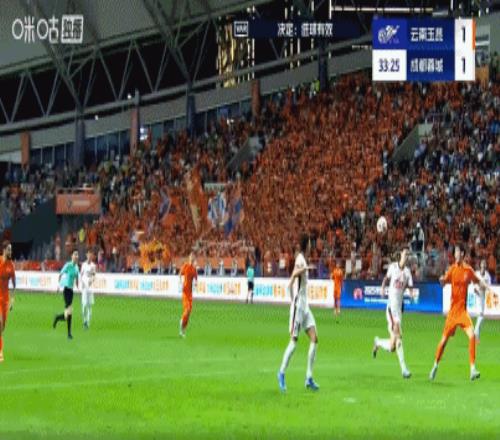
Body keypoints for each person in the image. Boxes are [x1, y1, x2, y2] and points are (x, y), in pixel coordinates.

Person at [429, 244, 492, 381]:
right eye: (455, 252)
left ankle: (472, 369)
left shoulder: (468, 270)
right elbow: (444, 282)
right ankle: (435, 365)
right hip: (452, 313)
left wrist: (489, 288)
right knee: (443, 341)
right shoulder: (452, 269)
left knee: (472, 336)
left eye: (457, 252)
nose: (455, 254)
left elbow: (478, 281)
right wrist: (441, 281)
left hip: (462, 313)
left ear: (462, 254)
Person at [278, 235, 319, 392]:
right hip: (298, 306)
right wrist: (305, 269)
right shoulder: (300, 259)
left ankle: (309, 377)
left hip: (305, 306)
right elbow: (294, 274)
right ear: (306, 244)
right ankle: (281, 373)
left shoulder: (303, 259)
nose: (311, 245)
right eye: (309, 243)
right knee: (294, 341)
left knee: (314, 338)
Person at [372, 247, 413, 379]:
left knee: (392, 347)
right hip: (391, 309)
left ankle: (378, 342)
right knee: (399, 336)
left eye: (408, 255)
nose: (406, 256)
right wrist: (382, 288)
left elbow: (410, 287)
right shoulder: (393, 267)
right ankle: (404, 369)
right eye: (405, 254)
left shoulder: (407, 272)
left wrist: (411, 294)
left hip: (399, 311)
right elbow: (386, 278)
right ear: (401, 255)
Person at [53, 250, 80, 340]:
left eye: (77, 255)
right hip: (66, 290)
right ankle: (69, 333)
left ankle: (57, 317)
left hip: (71, 291)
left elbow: (77, 277)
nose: (76, 256)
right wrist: (58, 286)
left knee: (66, 315)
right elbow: (61, 274)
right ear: (72, 256)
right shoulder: (68, 265)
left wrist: (78, 286)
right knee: (69, 311)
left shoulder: (76, 267)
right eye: (75, 254)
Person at [0, 241, 16, 362]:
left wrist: (12, 299)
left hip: (5, 298)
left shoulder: (11, 265)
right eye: (9, 249)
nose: (10, 251)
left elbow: (14, 284)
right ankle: (0, 352)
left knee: (2, 327)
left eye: (11, 249)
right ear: (4, 250)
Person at [179, 253, 197, 338]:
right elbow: (180, 274)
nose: (192, 259)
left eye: (193, 258)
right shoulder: (185, 266)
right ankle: (181, 324)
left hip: (190, 293)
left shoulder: (194, 269)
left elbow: (196, 278)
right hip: (185, 292)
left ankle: (183, 330)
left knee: (189, 312)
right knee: (187, 310)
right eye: (191, 258)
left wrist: (196, 283)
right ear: (189, 259)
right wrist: (181, 282)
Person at [473, 259, 491, 344]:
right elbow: (474, 284)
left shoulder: (487, 276)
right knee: (481, 315)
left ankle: (477, 337)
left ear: (485, 266)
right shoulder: (476, 273)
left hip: (483, 296)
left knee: (481, 318)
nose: (483, 265)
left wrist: (484, 286)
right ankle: (475, 332)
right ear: (480, 265)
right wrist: (477, 288)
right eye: (482, 264)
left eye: (484, 264)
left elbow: (488, 287)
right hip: (477, 296)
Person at [80, 249, 97, 329]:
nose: (90, 256)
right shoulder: (83, 265)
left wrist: (92, 280)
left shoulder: (93, 266)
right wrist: (82, 283)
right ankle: (84, 321)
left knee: (89, 306)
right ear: (86, 255)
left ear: (92, 256)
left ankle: (87, 323)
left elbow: (94, 276)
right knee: (84, 306)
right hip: (84, 288)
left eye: (91, 255)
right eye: (88, 254)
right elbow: (81, 275)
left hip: (90, 288)